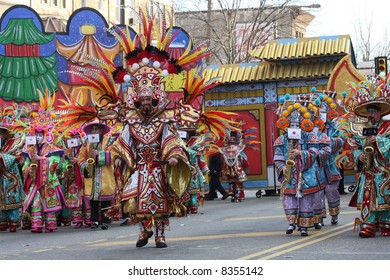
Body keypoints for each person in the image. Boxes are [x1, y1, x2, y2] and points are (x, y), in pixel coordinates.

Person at [274, 94, 331, 236]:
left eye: (297, 123)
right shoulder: (281, 139)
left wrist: (301, 154)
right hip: (290, 173)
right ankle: (291, 222)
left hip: (307, 172)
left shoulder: (310, 136)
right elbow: (278, 156)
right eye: (291, 123)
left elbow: (317, 151)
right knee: (289, 198)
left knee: (306, 199)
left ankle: (304, 225)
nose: (294, 125)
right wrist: (283, 167)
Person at [347, 76, 390, 237]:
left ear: (380, 113)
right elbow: (354, 147)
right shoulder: (361, 129)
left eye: (374, 111)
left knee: (384, 197)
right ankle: (368, 225)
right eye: (369, 112)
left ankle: (386, 224)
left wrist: (378, 139)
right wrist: (359, 156)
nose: (371, 114)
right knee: (368, 196)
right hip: (368, 170)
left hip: (384, 170)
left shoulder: (388, 127)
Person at [21, 125, 65, 233]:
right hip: (35, 181)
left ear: (45, 135)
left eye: (40, 135)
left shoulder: (51, 148)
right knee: (36, 203)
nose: (38, 137)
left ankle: (50, 224)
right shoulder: (29, 149)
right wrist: (28, 168)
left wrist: (40, 159)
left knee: (49, 202)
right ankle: (37, 224)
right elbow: (25, 165)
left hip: (49, 181)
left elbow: (55, 162)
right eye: (36, 135)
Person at [78, 121, 117, 230]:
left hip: (105, 173)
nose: (95, 131)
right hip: (92, 173)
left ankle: (105, 220)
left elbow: (114, 155)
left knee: (105, 199)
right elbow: (81, 158)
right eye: (93, 129)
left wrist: (100, 155)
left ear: (101, 130)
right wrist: (86, 165)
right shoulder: (86, 143)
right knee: (93, 199)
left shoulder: (109, 141)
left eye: (97, 129)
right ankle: (94, 220)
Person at [0, 126, 24, 232]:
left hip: (10, 175)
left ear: (5, 134)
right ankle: (2, 221)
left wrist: (3, 157)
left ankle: (13, 220)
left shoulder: (13, 144)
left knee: (11, 196)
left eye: (0, 133)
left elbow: (18, 156)